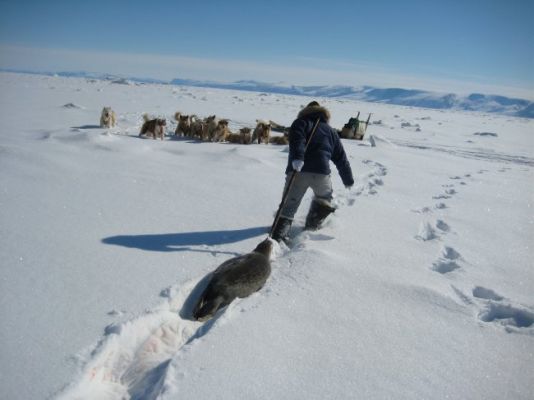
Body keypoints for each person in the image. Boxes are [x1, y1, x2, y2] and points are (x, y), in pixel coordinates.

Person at [271, 101, 354, 242]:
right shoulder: (331, 131)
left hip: (298, 171)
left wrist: (298, 158)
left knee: (289, 205)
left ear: (306, 111)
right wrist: (348, 179)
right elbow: (341, 157)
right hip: (322, 174)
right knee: (324, 201)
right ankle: (311, 227)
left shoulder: (300, 123)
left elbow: (298, 139)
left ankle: (278, 237)